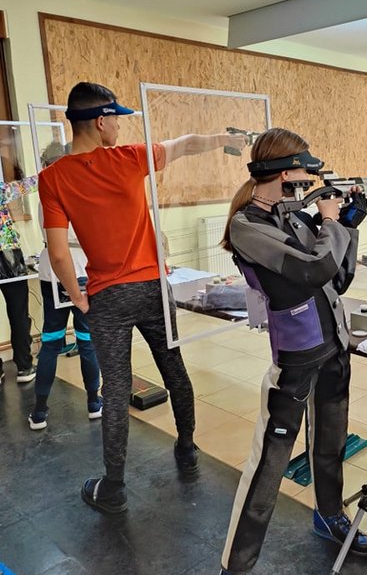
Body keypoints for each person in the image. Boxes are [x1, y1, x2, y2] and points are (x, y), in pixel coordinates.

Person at [39, 82, 247, 514]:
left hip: (106, 297)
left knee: (116, 390)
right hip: (152, 287)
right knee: (174, 369)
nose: (119, 126)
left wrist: (78, 298)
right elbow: (186, 144)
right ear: (100, 122)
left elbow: (58, 254)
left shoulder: (52, 178)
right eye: (116, 119)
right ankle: (186, 448)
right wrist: (224, 140)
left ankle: (113, 488)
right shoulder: (130, 158)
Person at [218, 127, 367, 575]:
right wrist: (330, 222)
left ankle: (329, 514)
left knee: (331, 442)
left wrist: (347, 224)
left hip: (334, 347)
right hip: (295, 358)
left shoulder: (293, 217)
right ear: (285, 173)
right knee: (268, 467)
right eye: (305, 171)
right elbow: (312, 269)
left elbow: (339, 277)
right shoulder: (247, 226)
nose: (311, 180)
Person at [28, 141, 102, 431]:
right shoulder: (81, 190)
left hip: (52, 272)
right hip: (81, 269)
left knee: (51, 341)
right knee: (86, 340)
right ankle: (94, 403)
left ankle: (39, 412)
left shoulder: (44, 195)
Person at [0, 165, 37, 385]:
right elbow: (25, 186)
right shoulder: (2, 191)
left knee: (18, 313)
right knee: (18, 313)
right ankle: (24, 366)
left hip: (8, 255)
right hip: (8, 255)